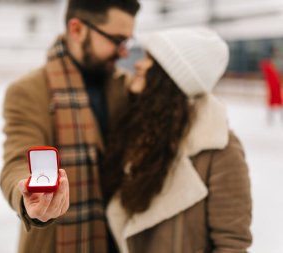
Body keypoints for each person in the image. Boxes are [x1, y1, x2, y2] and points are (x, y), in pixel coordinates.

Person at [0, 1, 140, 253]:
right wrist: (30, 196)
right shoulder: (29, 91)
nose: (124, 53)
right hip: (58, 242)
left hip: (121, 242)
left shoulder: (126, 86)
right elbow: (17, 160)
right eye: (117, 40)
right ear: (77, 30)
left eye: (127, 42)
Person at [103, 28, 253, 253]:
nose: (138, 65)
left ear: (169, 77)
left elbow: (231, 242)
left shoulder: (219, 148)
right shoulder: (138, 127)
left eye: (150, 60)